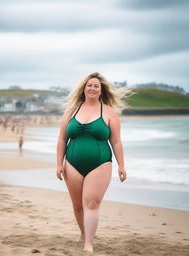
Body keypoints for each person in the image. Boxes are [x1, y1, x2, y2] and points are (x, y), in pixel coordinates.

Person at [56, 72, 133, 252]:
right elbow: (61, 139)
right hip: (72, 164)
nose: (92, 88)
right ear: (84, 89)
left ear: (101, 91)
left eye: (96, 86)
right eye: (89, 85)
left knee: (91, 202)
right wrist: (59, 164)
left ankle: (88, 244)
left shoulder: (108, 112)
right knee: (77, 205)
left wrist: (122, 166)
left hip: (100, 164)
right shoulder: (71, 111)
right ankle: (84, 234)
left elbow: (116, 141)